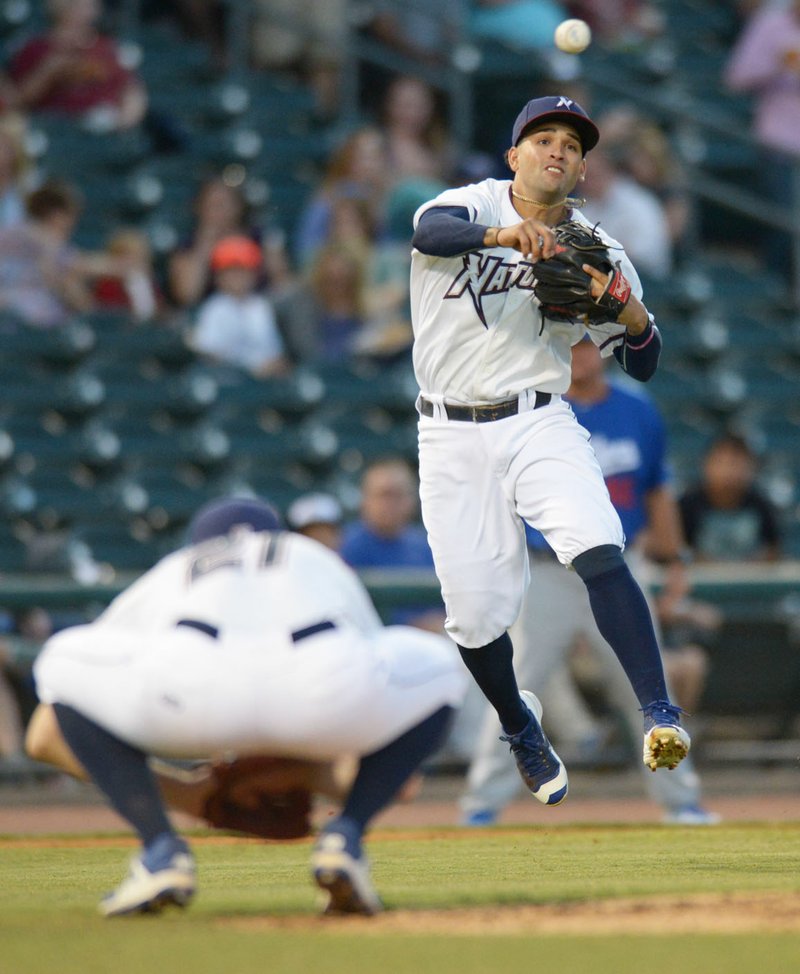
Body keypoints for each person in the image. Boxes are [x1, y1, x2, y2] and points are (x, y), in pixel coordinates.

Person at [408, 94, 691, 811]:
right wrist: (507, 236)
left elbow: (646, 359)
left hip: (538, 418)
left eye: (571, 143)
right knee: (473, 619)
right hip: (448, 432)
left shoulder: (599, 246)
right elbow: (431, 234)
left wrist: (627, 311)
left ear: (582, 168)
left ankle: (661, 714)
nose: (557, 150)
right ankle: (520, 727)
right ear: (514, 157)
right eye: (543, 139)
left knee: (598, 544)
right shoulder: (466, 204)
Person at [27, 496, 467, 917]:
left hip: (188, 695)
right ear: (278, 536)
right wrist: (307, 774)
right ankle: (347, 838)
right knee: (445, 667)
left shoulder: (180, 568)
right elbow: (402, 780)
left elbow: (45, 736)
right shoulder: (310, 556)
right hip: (317, 690)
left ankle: (161, 850)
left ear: (200, 542)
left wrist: (190, 797)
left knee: (59, 659)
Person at [460, 337, 718, 826]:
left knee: (646, 685)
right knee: (518, 687)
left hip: (621, 565)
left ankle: (681, 800)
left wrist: (676, 560)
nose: (577, 355)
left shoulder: (635, 409)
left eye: (584, 345)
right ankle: (481, 805)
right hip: (549, 572)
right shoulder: (535, 408)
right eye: (567, 346)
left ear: (600, 349)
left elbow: (657, 488)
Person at [724, 0, 800, 284]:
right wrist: (778, 63)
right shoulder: (772, 24)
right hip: (778, 141)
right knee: (783, 221)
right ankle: (771, 288)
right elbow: (736, 76)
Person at [6, 0, 148, 131]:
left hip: (104, 131)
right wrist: (49, 70)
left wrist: (123, 120)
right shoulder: (36, 48)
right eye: (78, 4)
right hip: (55, 131)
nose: (88, 9)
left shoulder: (106, 48)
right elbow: (18, 102)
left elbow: (131, 90)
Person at [187, 234, 289, 377]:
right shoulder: (215, 307)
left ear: (254, 274)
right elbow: (210, 354)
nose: (238, 277)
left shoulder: (261, 306)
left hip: (262, 380)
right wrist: (247, 369)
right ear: (218, 276)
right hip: (228, 379)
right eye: (231, 271)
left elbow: (275, 354)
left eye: (243, 270)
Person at [678, 432, 783, 563]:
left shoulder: (763, 505)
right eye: (722, 462)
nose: (728, 471)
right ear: (706, 464)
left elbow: (773, 550)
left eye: (735, 463)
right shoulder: (687, 505)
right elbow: (677, 549)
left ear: (752, 467)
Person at [167, 176, 258, 309]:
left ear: (238, 206)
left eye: (224, 203)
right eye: (212, 204)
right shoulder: (187, 244)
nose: (219, 211)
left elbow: (281, 287)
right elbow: (187, 295)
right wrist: (204, 245)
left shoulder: (256, 239)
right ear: (199, 208)